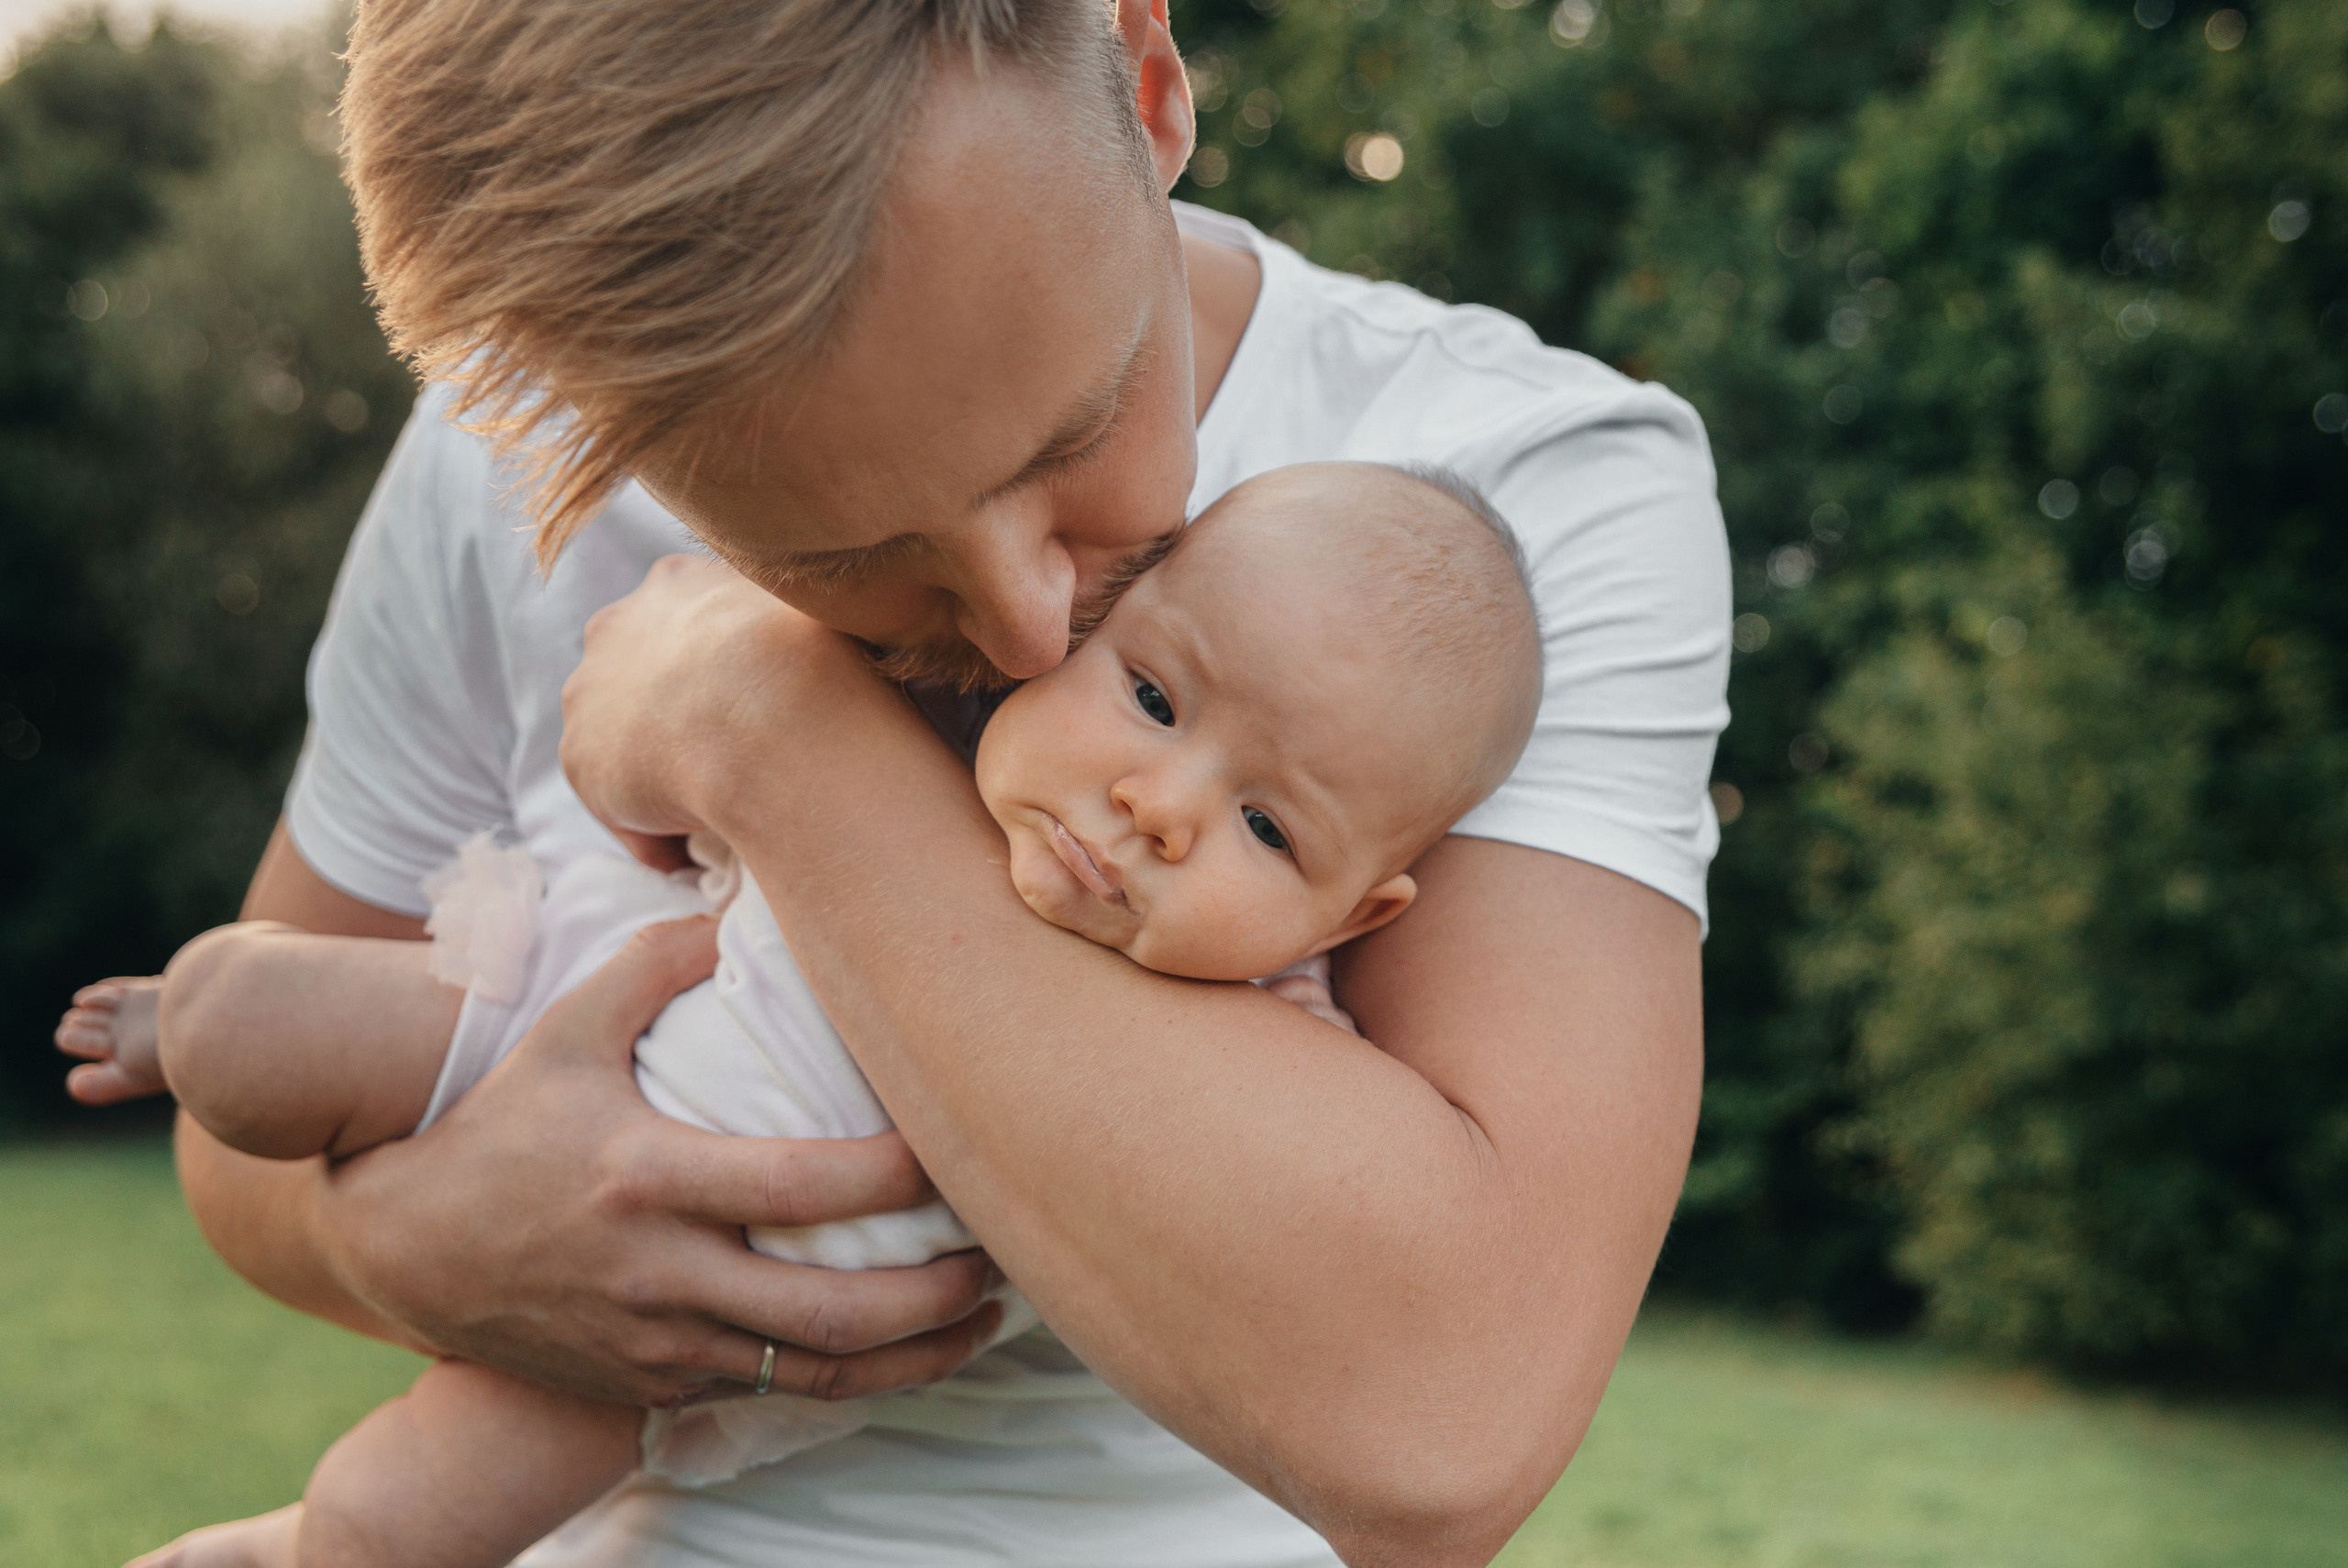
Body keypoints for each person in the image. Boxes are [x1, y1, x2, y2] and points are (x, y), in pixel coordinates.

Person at [64, 0, 1729, 1561]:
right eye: (843, 549)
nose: (1025, 622)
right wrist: (424, 1246)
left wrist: (762, 719)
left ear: (1147, 82)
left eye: (1073, 433)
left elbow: (1445, 1416)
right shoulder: (523, 449)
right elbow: (241, 1141)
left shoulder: (1519, 492)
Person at [69, 463, 1543, 1568]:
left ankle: (283, 1545)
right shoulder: (919, 715)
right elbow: (645, 788)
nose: (1158, 807)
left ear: (1353, 919)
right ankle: (168, 1017)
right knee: (242, 1020)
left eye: (1271, 830)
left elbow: (1359, 1290)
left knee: (396, 1522)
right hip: (548, 1030)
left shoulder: (1294, 1044)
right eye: (1152, 699)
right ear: (1073, 628)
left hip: (699, 1324)